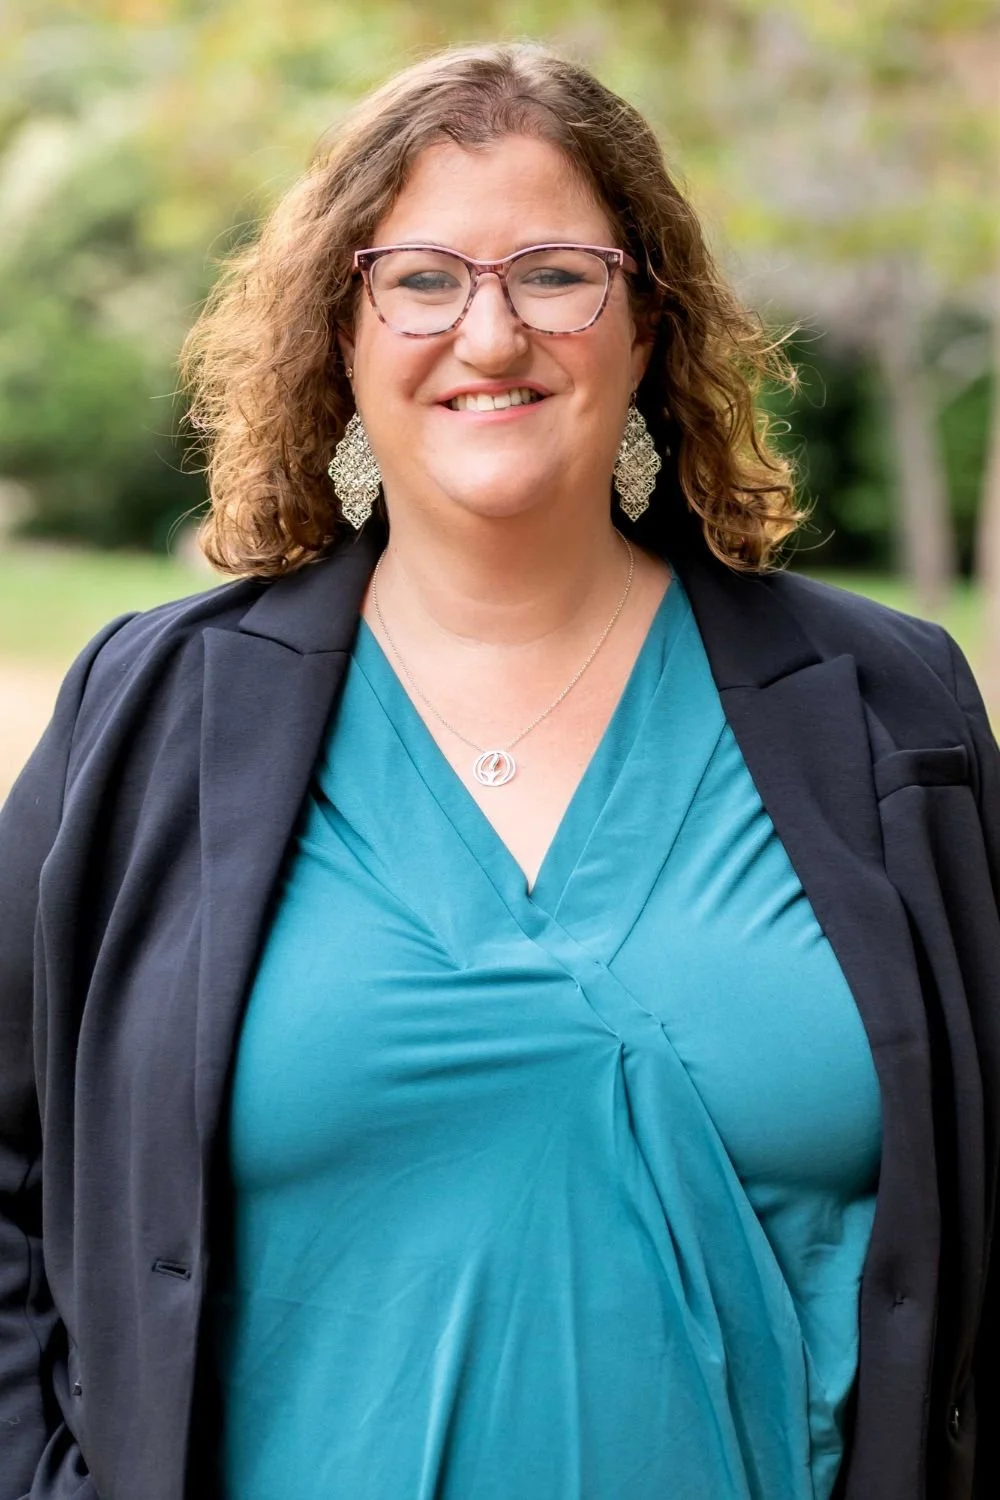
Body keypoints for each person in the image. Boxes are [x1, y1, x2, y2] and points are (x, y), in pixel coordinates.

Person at [0, 40, 996, 1500]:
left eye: (554, 273)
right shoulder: (155, 715)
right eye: (421, 279)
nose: (490, 334)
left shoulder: (886, 714)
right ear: (339, 332)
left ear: (648, 320)